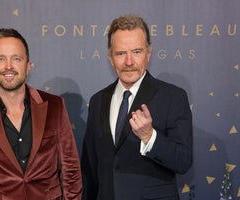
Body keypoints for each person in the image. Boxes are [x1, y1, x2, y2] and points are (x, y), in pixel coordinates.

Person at [0, 28, 82, 199]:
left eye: (16, 58)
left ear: (28, 66)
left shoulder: (55, 106)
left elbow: (71, 169)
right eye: (1, 59)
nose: (8, 66)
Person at [81, 14, 193, 200]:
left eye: (137, 52)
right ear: (110, 57)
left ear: (148, 54)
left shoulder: (173, 97)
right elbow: (90, 167)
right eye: (121, 53)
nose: (129, 62)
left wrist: (149, 137)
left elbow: (183, 161)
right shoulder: (98, 100)